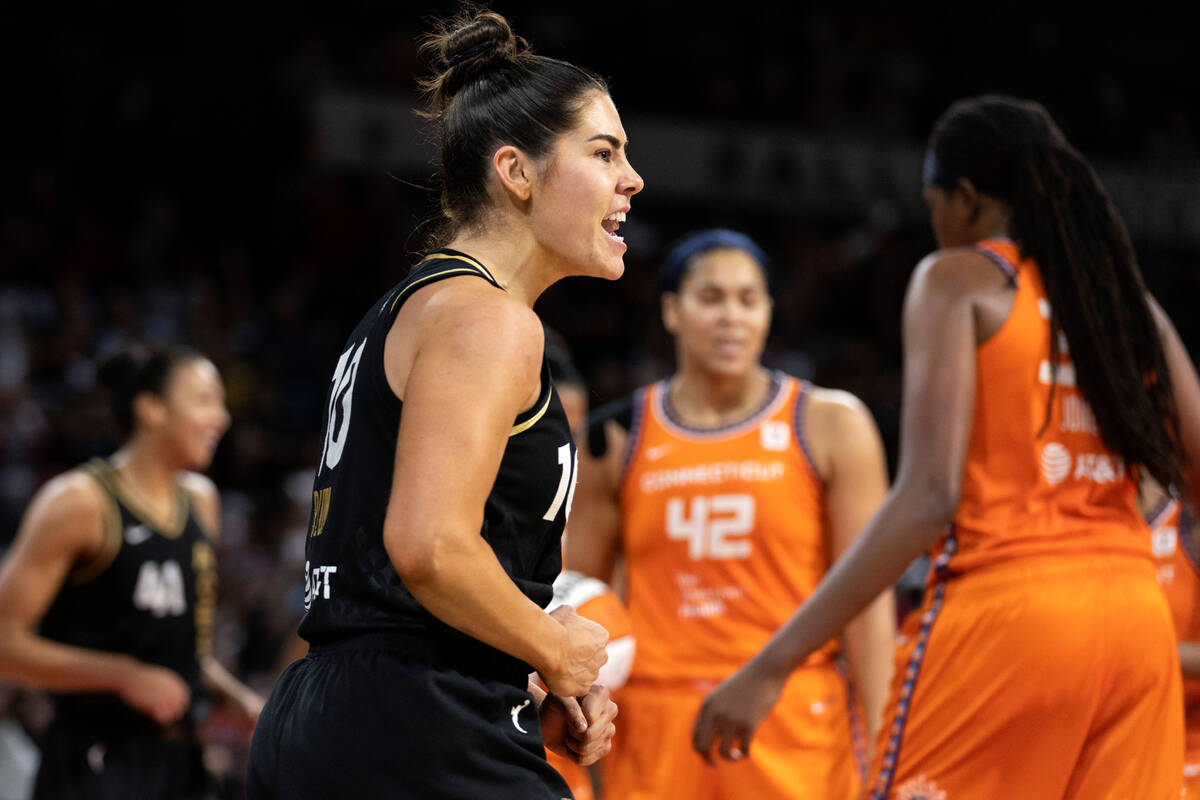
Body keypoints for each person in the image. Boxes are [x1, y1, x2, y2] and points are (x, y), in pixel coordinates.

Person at [693, 94, 1200, 799]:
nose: (934, 226)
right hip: (1136, 623)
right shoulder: (1131, 308)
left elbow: (929, 499)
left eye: (933, 204)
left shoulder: (957, 278)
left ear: (964, 198)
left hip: (1010, 616)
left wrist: (771, 664)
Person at [245, 9, 643, 799]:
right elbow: (428, 546)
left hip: (342, 709)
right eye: (604, 153)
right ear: (516, 172)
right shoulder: (490, 318)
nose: (631, 179)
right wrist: (554, 647)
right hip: (416, 725)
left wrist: (525, 669)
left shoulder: (408, 309)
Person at [568, 229, 895, 799]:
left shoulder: (832, 423)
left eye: (749, 300)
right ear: (671, 310)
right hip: (655, 729)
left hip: (790, 716)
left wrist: (890, 753)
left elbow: (867, 603)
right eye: (711, 298)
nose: (732, 317)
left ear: (770, 311)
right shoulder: (615, 439)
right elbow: (577, 596)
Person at [0, 346, 264, 799]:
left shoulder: (202, 500)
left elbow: (183, 654)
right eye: (203, 400)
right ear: (151, 409)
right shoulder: (79, 501)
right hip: (95, 762)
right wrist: (123, 675)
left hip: (183, 763)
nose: (221, 417)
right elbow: (5, 644)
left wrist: (239, 702)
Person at [542, 330, 637, 800]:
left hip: (554, 773)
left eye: (572, 436)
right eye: (546, 434)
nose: (563, 454)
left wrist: (590, 711)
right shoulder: (441, 523)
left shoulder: (576, 517)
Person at [1143, 481, 1200, 797]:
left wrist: (1150, 649)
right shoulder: (1076, 520)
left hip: (1189, 751)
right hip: (1121, 746)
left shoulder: (1188, 517)